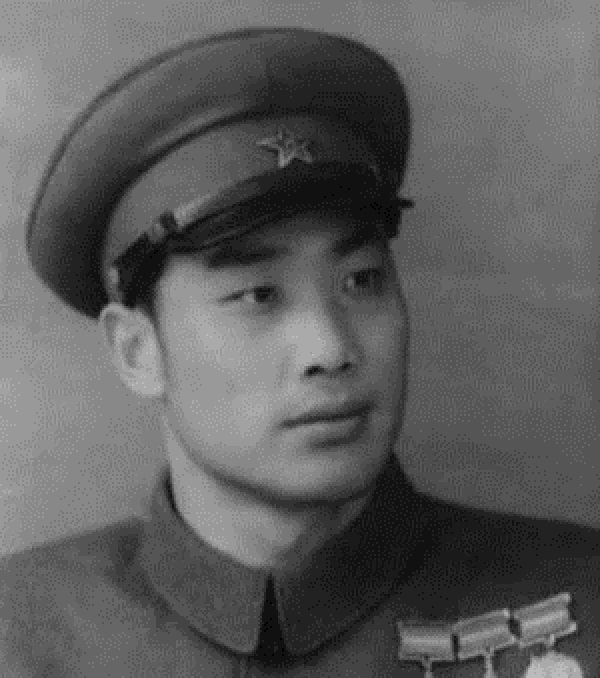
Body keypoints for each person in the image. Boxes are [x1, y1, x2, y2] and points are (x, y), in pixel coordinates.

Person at [0, 26, 598, 678]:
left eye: (361, 281)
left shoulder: (580, 600)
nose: (331, 349)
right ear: (138, 351)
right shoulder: (24, 637)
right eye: (259, 295)